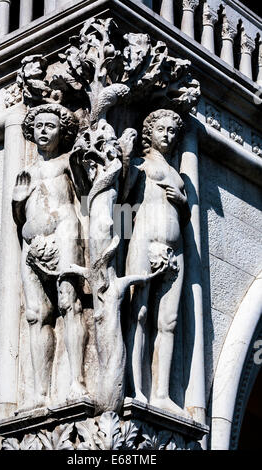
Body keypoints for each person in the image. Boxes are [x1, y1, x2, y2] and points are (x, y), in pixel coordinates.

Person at [12, 104, 87, 408]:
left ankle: (77, 381)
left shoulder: (67, 161)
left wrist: (82, 158)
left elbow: (86, 191)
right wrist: (17, 202)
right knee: (35, 314)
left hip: (64, 234)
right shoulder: (26, 172)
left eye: (50, 126)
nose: (43, 130)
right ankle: (39, 392)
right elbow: (19, 218)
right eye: (39, 125)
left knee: (69, 304)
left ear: (61, 132)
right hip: (32, 243)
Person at [125, 109, 190, 415]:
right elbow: (121, 206)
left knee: (169, 322)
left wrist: (183, 203)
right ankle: (136, 388)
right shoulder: (140, 164)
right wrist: (119, 243)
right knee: (138, 314)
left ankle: (161, 393)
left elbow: (183, 217)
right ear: (149, 132)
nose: (167, 135)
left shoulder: (178, 174)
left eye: (173, 131)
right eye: (161, 129)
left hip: (174, 249)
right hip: (143, 242)